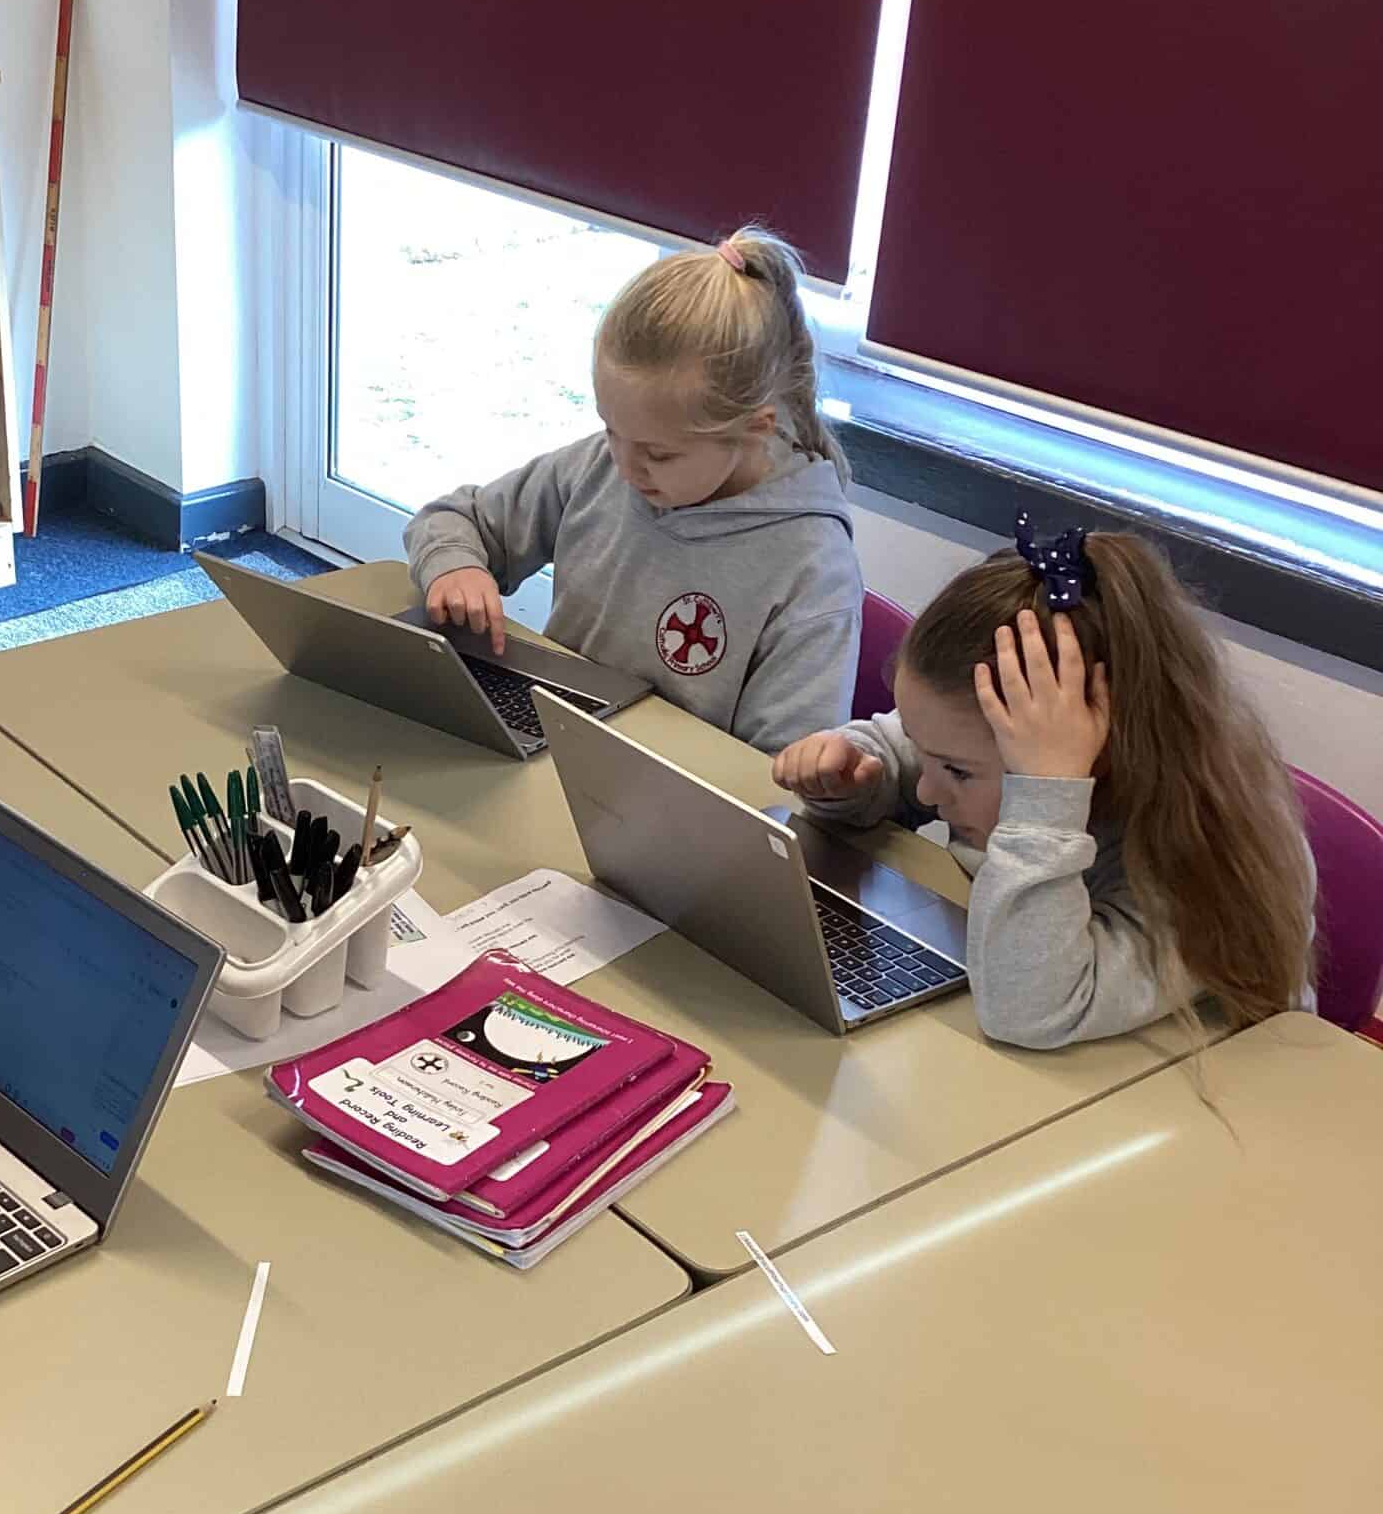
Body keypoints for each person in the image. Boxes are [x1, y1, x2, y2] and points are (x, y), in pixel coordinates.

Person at [771, 516, 1317, 1048]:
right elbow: (903, 753)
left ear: (1098, 755)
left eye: (956, 771)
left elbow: (1029, 1011)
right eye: (923, 748)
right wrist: (855, 774)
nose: (926, 792)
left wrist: (1046, 797)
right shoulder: (974, 742)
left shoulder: (1202, 861)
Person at [404, 228, 863, 753]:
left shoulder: (813, 570)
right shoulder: (603, 464)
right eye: (610, 429)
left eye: (658, 453)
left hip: (669, 788)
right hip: (553, 744)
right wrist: (456, 566)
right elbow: (451, 519)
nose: (625, 467)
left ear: (755, 429)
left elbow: (780, 776)